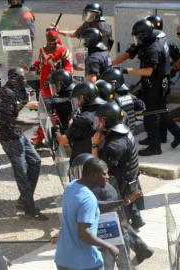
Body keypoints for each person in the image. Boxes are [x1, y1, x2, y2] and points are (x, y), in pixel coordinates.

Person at [69, 153, 153, 269]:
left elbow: (101, 208)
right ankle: (141, 248)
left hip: (110, 236)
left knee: (113, 265)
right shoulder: (97, 185)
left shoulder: (101, 188)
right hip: (114, 233)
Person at [122, 19, 180, 156]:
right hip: (162, 82)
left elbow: (149, 71)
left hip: (155, 84)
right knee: (160, 111)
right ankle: (178, 133)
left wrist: (127, 70)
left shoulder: (152, 48)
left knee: (151, 114)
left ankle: (155, 147)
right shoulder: (161, 39)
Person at [0, 67, 48, 220]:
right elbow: (11, 119)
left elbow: (20, 105)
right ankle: (30, 208)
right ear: (13, 78)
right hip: (9, 137)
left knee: (35, 161)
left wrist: (27, 103)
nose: (25, 80)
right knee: (21, 173)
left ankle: (24, 199)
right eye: (21, 77)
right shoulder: (6, 93)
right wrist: (35, 122)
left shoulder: (20, 89)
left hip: (18, 134)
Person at [54, 157, 119, 270]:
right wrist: (109, 246)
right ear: (94, 175)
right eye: (105, 174)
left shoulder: (71, 186)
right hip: (86, 262)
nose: (108, 177)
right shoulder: (89, 199)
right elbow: (84, 234)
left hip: (63, 258)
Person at [91, 102, 145, 230]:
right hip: (129, 181)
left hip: (120, 187)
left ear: (105, 120)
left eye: (99, 120)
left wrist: (94, 145)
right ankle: (136, 219)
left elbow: (97, 167)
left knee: (121, 226)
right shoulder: (123, 132)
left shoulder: (115, 145)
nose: (97, 122)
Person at [27, 28, 73, 146]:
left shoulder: (63, 51)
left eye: (53, 42)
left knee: (57, 113)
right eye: (49, 42)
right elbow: (40, 63)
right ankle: (41, 136)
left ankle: (60, 137)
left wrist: (57, 73)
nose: (50, 45)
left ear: (57, 40)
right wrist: (31, 67)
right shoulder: (43, 49)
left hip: (57, 87)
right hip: (44, 86)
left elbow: (69, 69)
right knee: (43, 112)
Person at [55, 81, 106, 163]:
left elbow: (63, 140)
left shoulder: (82, 119)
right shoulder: (107, 109)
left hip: (83, 162)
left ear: (83, 98)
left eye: (77, 99)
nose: (77, 103)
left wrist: (56, 129)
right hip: (102, 159)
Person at [0, 0, 35, 83]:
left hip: (24, 50)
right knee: (12, 72)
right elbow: (0, 27)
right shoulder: (7, 12)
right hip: (12, 48)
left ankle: (25, 91)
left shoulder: (26, 12)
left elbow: (31, 33)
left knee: (23, 72)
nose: (15, 1)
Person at [100, 67, 145, 132]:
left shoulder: (112, 98)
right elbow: (140, 106)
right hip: (130, 131)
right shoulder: (128, 94)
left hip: (116, 134)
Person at [47, 69, 74, 133]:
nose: (53, 89)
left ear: (61, 84)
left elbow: (56, 102)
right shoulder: (69, 91)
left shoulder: (69, 96)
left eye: (55, 86)